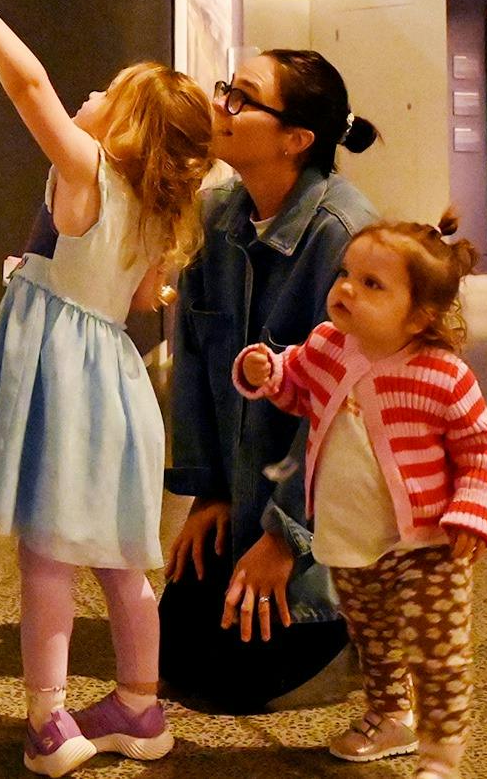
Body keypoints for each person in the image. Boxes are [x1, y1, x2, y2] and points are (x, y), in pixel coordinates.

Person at [0, 0, 214, 777]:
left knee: (47, 559)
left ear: (123, 128)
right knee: (123, 562)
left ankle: (49, 719)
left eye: (105, 94)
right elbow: (121, 298)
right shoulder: (157, 210)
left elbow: (29, 88)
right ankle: (139, 705)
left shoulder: (88, 171)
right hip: (119, 388)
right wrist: (39, 268)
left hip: (65, 382)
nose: (86, 97)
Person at [233, 212, 487, 779]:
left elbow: (482, 447)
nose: (346, 288)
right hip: (352, 536)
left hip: (428, 543)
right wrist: (267, 373)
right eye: (345, 274)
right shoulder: (330, 345)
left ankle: (441, 758)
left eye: (372, 284)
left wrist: (472, 510)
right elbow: (297, 386)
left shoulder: (442, 374)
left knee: (437, 650)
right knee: (373, 638)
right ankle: (389, 717)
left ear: (421, 315)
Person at [160, 49, 379, 711]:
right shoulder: (215, 217)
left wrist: (287, 539)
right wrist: (208, 497)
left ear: (296, 139)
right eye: (227, 88)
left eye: (241, 97)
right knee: (178, 658)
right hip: (243, 492)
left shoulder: (343, 235)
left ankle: (359, 626)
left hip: (318, 525)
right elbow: (195, 364)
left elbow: (350, 418)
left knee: (241, 683)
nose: (220, 105)